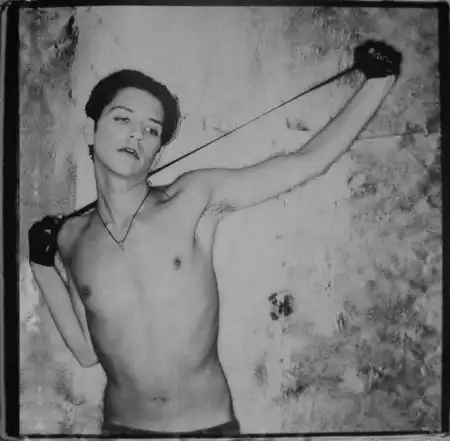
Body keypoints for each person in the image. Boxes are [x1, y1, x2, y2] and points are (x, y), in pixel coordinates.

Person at [28, 41, 402, 436]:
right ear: (90, 129)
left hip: (207, 429)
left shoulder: (191, 200)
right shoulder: (71, 236)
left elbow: (307, 162)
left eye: (151, 130)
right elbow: (87, 352)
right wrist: (41, 265)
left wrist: (379, 81)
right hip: (122, 430)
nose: (137, 134)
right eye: (123, 119)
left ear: (157, 153)